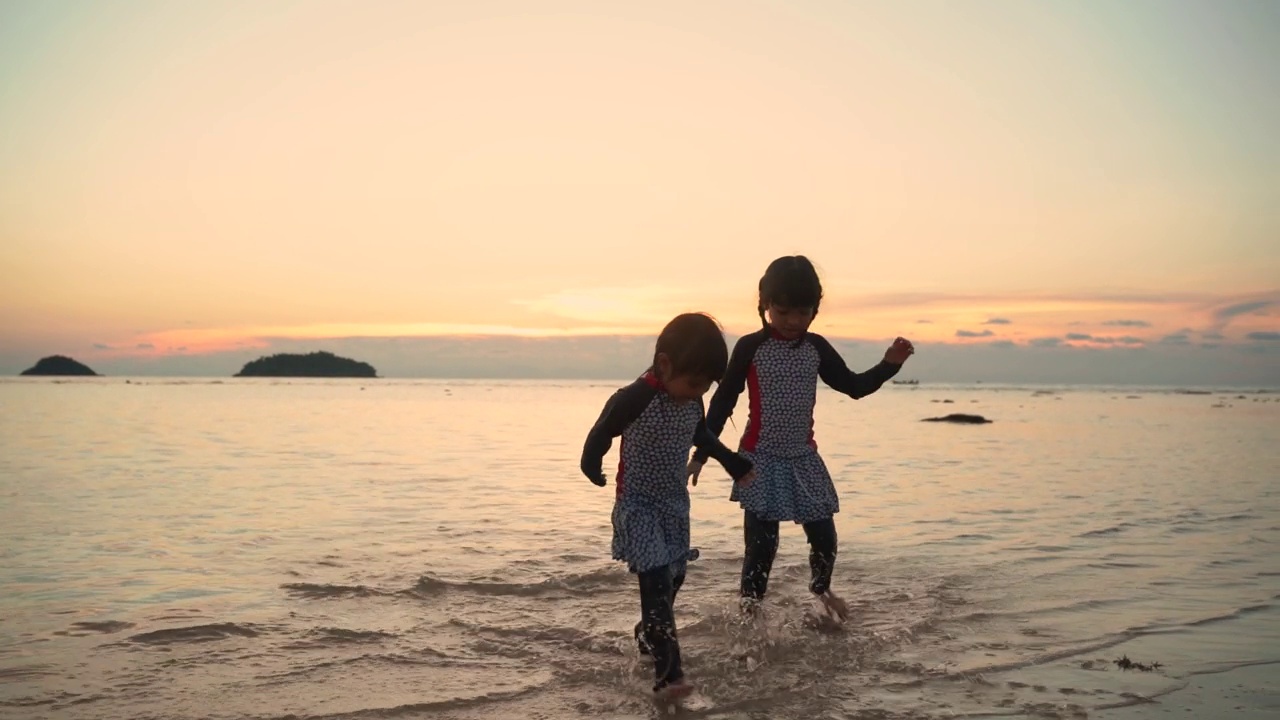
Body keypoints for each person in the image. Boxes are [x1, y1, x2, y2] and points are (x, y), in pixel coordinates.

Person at [687, 256, 914, 620]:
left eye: (803, 312)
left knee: (825, 538)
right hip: (758, 461)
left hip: (803, 458)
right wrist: (702, 454)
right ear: (765, 305)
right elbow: (724, 400)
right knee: (762, 547)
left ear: (815, 309)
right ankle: (749, 616)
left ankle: (821, 590)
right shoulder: (750, 347)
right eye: (784, 311)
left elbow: (853, 386)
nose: (794, 321)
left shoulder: (816, 347)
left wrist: (889, 364)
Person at [580, 312, 756, 699]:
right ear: (664, 364)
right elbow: (603, 429)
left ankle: (648, 634)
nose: (698, 393)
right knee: (656, 581)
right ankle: (669, 675)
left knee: (674, 579)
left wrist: (733, 463)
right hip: (637, 506)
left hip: (674, 506)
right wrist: (591, 462)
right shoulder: (635, 398)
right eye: (694, 383)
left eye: (706, 387)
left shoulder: (691, 405)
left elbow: (704, 439)